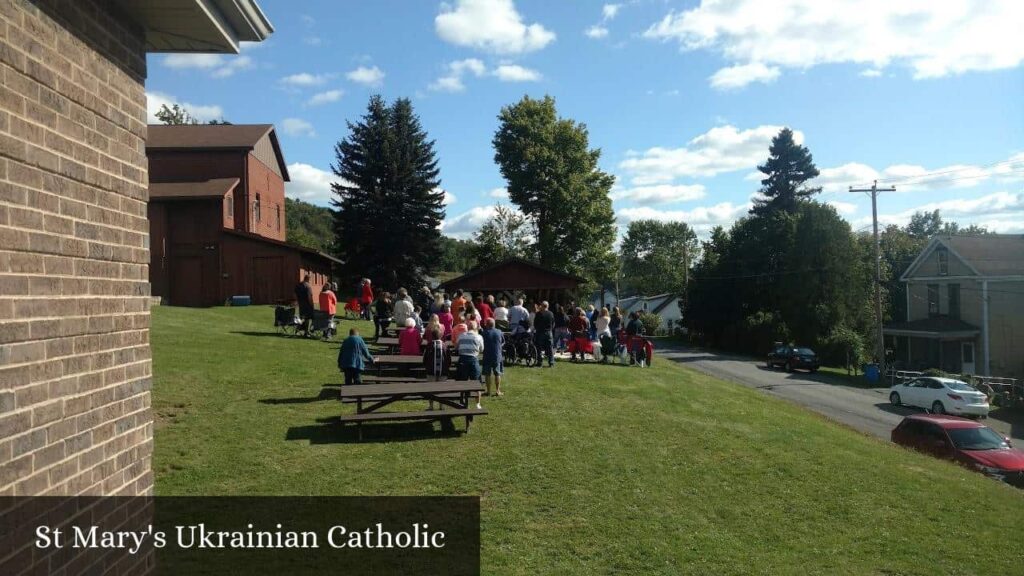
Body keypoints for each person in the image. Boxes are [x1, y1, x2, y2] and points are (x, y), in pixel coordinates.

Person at [455, 321, 485, 409]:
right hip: (473, 360)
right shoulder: (479, 337)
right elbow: (482, 349)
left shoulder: (461, 335)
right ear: (476, 328)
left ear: (467, 327)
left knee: (462, 381)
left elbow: (456, 347)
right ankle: (478, 403)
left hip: (463, 360)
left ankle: (462, 399)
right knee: (477, 382)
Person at [481, 318, 504, 397]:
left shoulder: (484, 333)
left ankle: (488, 391)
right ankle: (498, 390)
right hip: (497, 355)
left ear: (487, 324)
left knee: (487, 374)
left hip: (487, 356)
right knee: (497, 373)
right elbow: (503, 342)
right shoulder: (499, 332)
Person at [533, 301, 555, 368]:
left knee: (539, 348)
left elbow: (535, 324)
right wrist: (551, 329)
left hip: (540, 332)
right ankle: (551, 362)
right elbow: (553, 323)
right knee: (550, 348)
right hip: (549, 332)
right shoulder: (551, 314)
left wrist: (537, 329)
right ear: (547, 306)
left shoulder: (539, 314)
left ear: (542, 306)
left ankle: (540, 362)